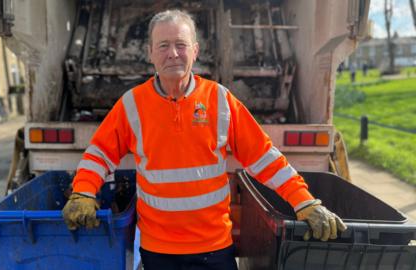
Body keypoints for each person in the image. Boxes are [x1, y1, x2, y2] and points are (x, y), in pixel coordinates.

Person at [62, 9, 347, 270]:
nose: (173, 53)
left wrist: (305, 202)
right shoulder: (132, 106)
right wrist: (83, 192)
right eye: (163, 46)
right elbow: (99, 154)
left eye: (181, 44)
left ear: (195, 51)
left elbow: (264, 157)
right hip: (158, 250)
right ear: (149, 53)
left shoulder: (220, 100)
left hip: (214, 248)